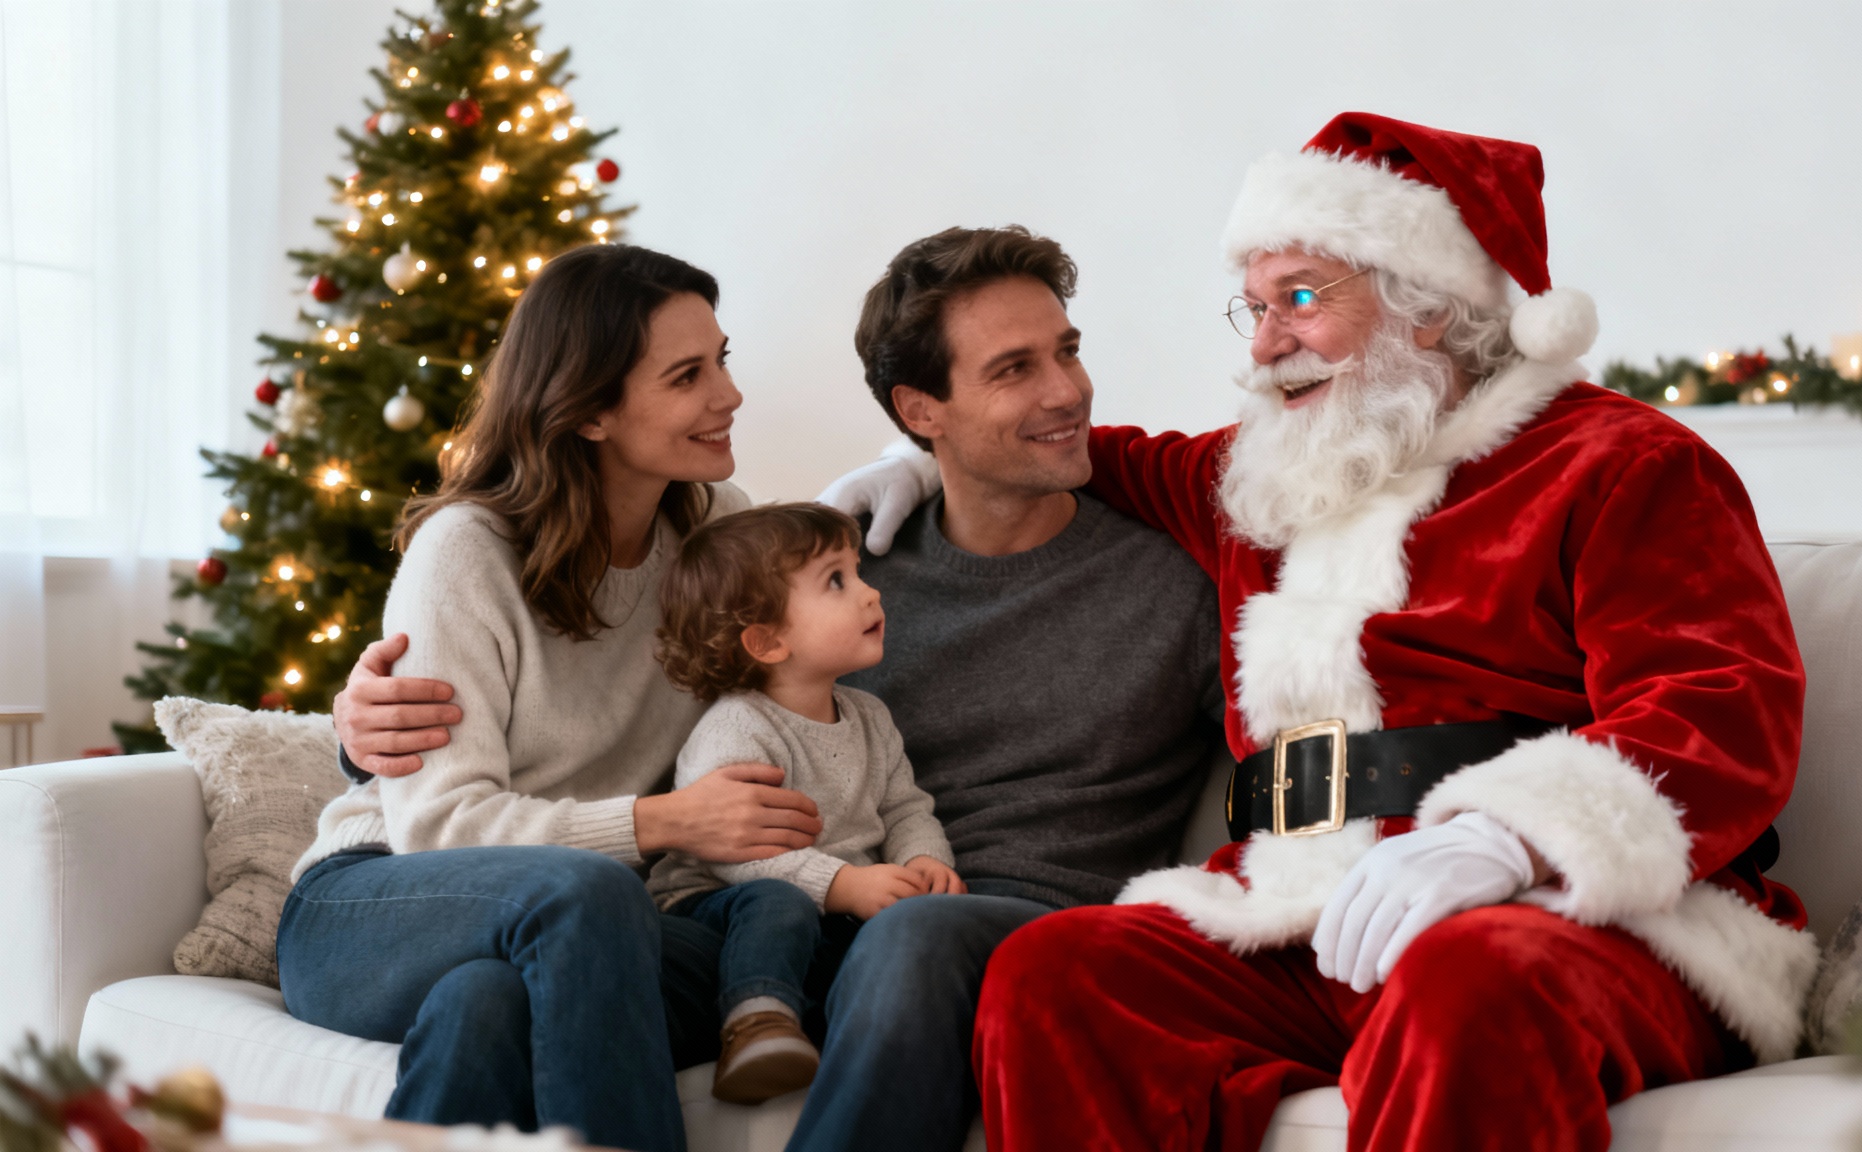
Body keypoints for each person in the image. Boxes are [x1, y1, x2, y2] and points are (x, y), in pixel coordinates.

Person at [948, 113, 1819, 1151]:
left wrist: (1505, 838)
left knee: (1470, 978)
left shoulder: (1623, 463)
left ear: (1428, 307)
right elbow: (1090, 460)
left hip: (1576, 921)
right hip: (1304, 915)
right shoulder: (1264, 474)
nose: (1264, 344)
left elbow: (1720, 706)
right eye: (1254, 308)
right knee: (1056, 974)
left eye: (1300, 299)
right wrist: (925, 464)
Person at [332, 224, 1227, 1152]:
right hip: (801, 911)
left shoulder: (1173, 583)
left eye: (1068, 351)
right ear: (920, 410)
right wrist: (358, 734)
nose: (1068, 390)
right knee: (491, 1000)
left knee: (908, 935)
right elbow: (691, 715)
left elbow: (1293, 739)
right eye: (1013, 369)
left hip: (989, 925)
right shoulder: (837, 576)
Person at [278, 243, 825, 1152]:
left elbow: (831, 594)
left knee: (486, 1005)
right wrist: (664, 821)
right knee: (586, 892)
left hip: (586, 928)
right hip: (380, 903)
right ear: (591, 409)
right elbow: (438, 827)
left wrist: (912, 471)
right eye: (687, 375)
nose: (729, 395)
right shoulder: (467, 551)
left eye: (721, 360)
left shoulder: (718, 528)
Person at [644, 502, 960, 1105]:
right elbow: (735, 853)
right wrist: (843, 884)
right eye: (837, 581)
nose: (870, 593)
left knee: (875, 946)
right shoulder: (739, 728)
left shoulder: (870, 716)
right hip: (719, 901)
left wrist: (924, 860)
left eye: (857, 571)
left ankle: (836, 1033)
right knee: (779, 902)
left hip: (828, 906)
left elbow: (904, 808)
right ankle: (755, 1023)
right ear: (767, 640)